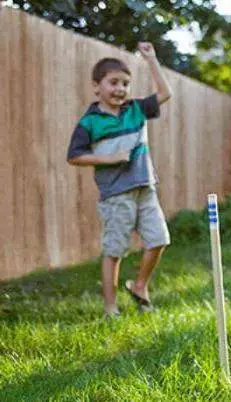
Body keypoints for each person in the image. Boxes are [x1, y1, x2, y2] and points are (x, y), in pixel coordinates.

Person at [67, 42, 172, 317]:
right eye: (113, 82)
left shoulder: (136, 109)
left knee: (159, 240)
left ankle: (140, 286)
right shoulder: (89, 122)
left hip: (145, 187)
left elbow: (165, 93)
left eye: (125, 83)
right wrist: (109, 158)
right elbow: (74, 156)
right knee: (114, 251)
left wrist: (151, 59)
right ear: (96, 87)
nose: (120, 89)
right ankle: (110, 307)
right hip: (116, 195)